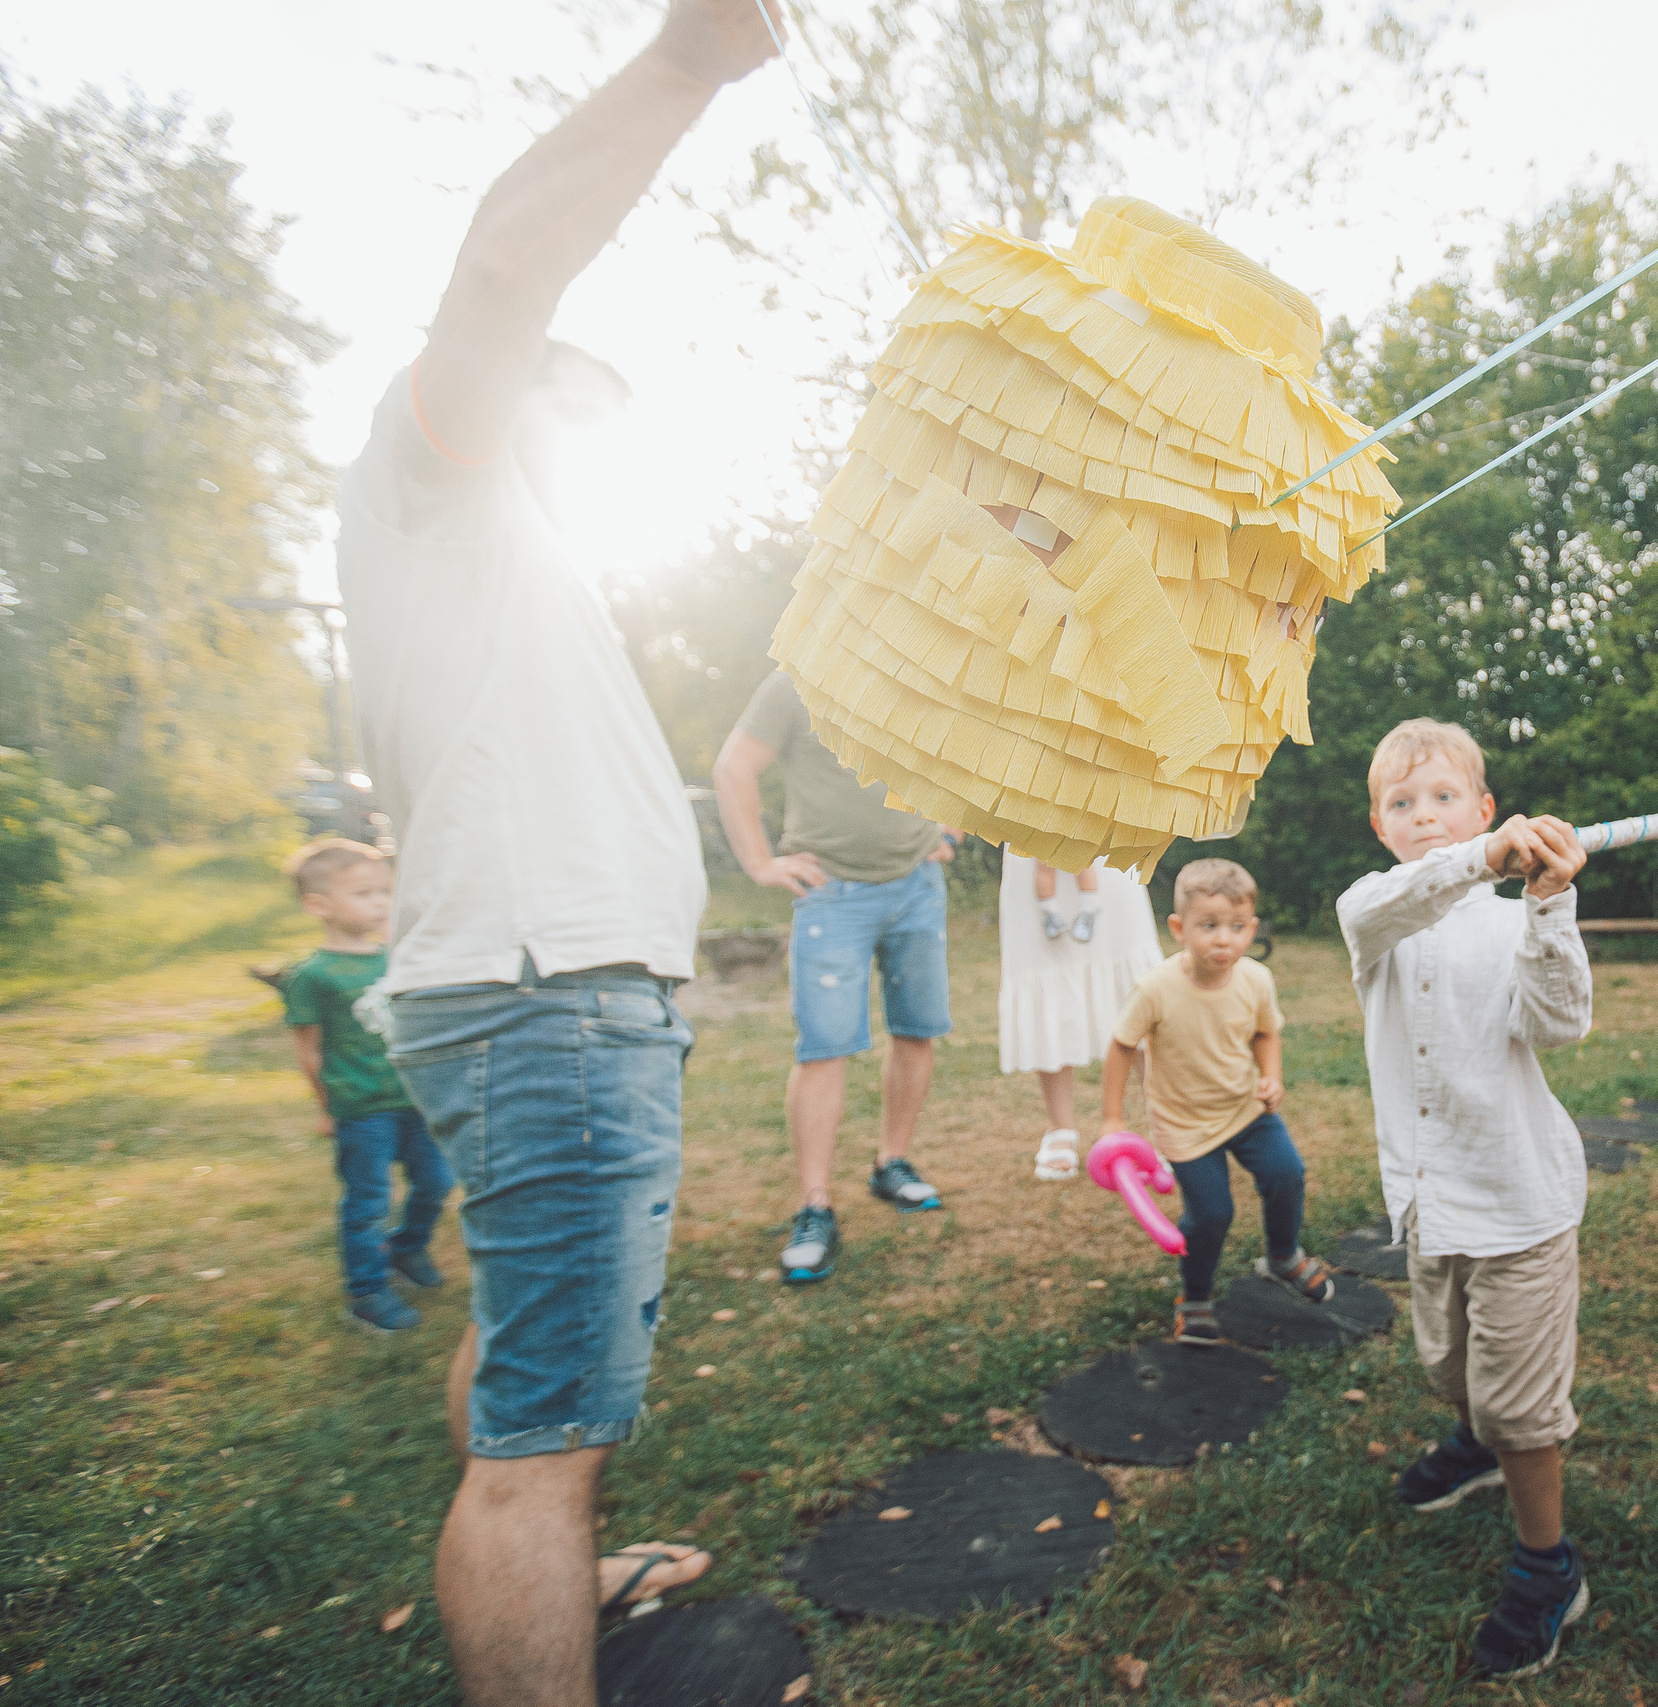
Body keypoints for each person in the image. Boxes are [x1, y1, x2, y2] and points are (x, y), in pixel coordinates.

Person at [336, 5, 777, 1699]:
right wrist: (689, 62)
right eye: (559, 395)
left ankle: (559, 1552)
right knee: (537, 1446)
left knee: (524, 1360)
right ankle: (538, 1546)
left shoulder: (496, 556)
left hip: (542, 997)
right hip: (542, 1006)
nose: (570, 416)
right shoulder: (429, 466)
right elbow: (505, 269)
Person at [1336, 717, 1596, 1681]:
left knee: (1523, 1408)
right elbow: (1392, 908)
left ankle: (1547, 1568)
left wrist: (1549, 899)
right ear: (1380, 825)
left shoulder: (1513, 915)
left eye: (1445, 797)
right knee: (1452, 1365)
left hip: (1521, 1205)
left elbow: (1561, 1024)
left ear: (1486, 807)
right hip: (1430, 1205)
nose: (1424, 815)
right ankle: (1474, 1438)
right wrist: (1478, 857)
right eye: (1403, 803)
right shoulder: (1374, 910)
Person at [713, 668, 956, 1285]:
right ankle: (814, 1206)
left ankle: (892, 1162)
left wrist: (947, 824)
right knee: (825, 1049)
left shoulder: (932, 667)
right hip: (832, 891)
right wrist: (760, 862)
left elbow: (964, 753)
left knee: (917, 1032)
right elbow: (734, 767)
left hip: (918, 885)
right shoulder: (797, 679)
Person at [1101, 857, 1333, 1342]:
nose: (1223, 939)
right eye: (1208, 926)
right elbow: (1122, 1047)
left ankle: (1283, 1255)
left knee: (1286, 1173)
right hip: (1184, 1125)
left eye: (1235, 927)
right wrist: (1112, 1118)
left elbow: (1267, 1032)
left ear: (1251, 929)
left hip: (1245, 1109)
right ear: (1179, 928)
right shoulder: (1156, 989)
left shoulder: (1255, 980)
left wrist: (1272, 1077)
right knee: (1211, 1214)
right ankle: (1196, 1295)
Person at [280, 839, 453, 1335]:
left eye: (384, 892)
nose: (380, 903)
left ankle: (406, 1248)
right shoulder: (313, 976)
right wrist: (325, 1108)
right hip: (361, 1108)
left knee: (437, 1182)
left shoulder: (395, 959)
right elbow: (309, 1052)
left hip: (415, 1100)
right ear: (319, 905)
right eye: (364, 893)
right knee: (368, 1199)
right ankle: (367, 1291)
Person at [997, 850, 1161, 1180]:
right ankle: (1061, 1128)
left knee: (1135, 984)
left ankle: (1165, 1124)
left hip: (1105, 843)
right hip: (1029, 843)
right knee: (1046, 971)